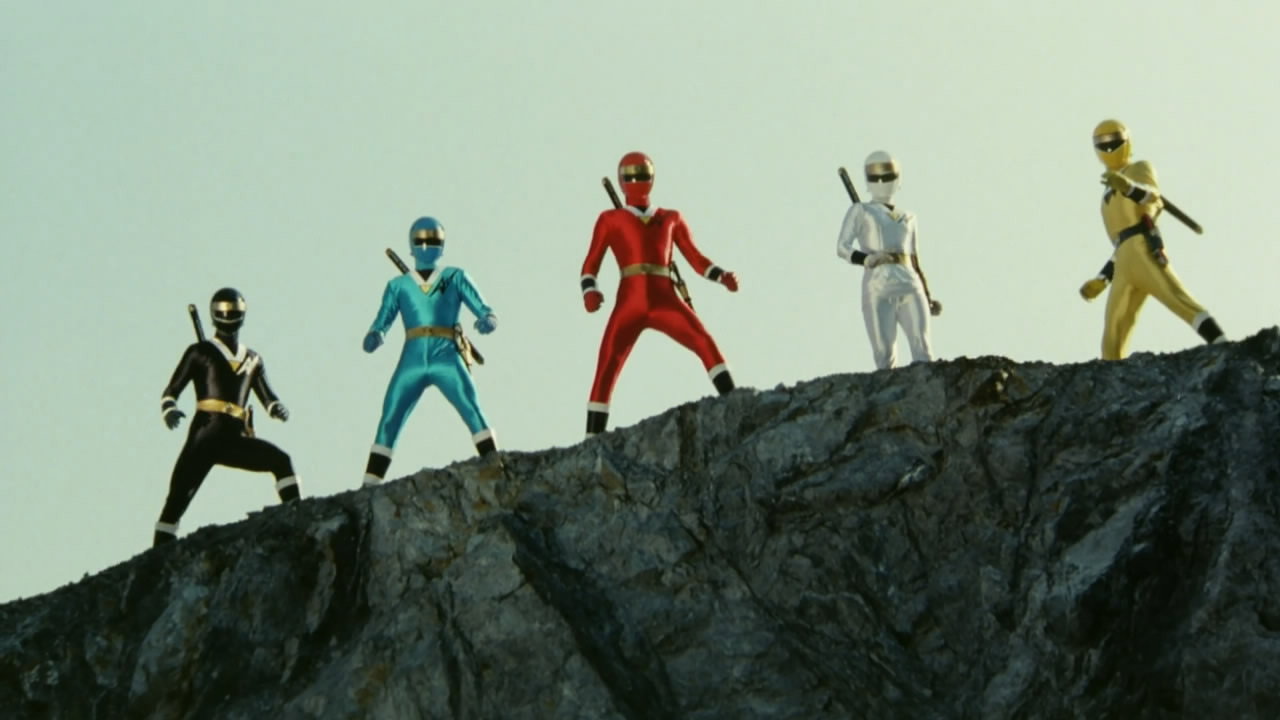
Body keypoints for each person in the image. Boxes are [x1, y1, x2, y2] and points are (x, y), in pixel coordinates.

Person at [580, 151, 739, 436]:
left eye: (641, 175)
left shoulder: (670, 218)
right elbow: (590, 265)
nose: (636, 181)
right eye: (630, 177)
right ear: (622, 181)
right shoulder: (610, 219)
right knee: (607, 363)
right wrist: (590, 290)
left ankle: (735, 402)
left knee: (704, 342)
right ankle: (592, 436)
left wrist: (721, 275)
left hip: (664, 295)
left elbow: (695, 258)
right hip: (631, 300)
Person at [361, 216, 499, 486]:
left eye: (432, 240)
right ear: (411, 246)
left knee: (470, 406)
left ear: (442, 246)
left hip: (445, 353)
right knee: (390, 416)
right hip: (412, 356)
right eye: (421, 241)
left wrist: (488, 319)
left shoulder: (454, 277)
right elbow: (382, 320)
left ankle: (494, 462)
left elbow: (484, 308)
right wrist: (375, 335)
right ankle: (370, 482)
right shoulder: (398, 285)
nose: (426, 246)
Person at [156, 287, 299, 546]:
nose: (228, 316)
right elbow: (171, 391)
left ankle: (299, 516)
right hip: (205, 435)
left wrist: (276, 407)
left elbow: (267, 397)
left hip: (235, 437)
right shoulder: (199, 352)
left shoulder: (253, 359)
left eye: (233, 311)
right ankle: (157, 555)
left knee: (281, 461)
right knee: (177, 499)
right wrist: (169, 409)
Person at [1079, 119, 1225, 359]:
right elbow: (1120, 243)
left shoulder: (1138, 169)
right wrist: (1102, 279)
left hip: (1142, 247)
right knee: (1113, 330)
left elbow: (1152, 197)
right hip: (1124, 258)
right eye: (1102, 144)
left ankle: (1221, 343)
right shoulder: (1106, 194)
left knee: (1177, 298)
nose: (1109, 148)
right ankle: (1111, 374)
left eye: (1114, 141)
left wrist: (1128, 187)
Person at [836, 150, 941, 369]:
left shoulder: (909, 217)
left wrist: (928, 295)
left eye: (887, 177)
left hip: (910, 284)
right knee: (885, 354)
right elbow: (843, 247)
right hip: (878, 286)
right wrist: (866, 259)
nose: (882, 183)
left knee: (923, 349)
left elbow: (915, 259)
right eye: (875, 178)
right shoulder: (861, 211)